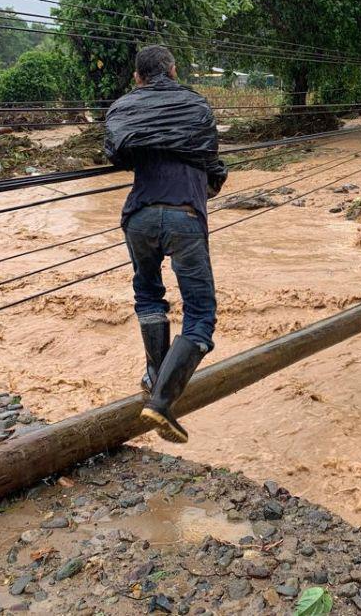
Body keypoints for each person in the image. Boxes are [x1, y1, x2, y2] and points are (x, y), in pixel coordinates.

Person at [104, 45, 228, 444]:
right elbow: (211, 162)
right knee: (201, 313)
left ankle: (154, 377)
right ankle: (161, 401)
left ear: (138, 77)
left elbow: (115, 154)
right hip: (184, 216)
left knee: (148, 295)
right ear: (173, 71)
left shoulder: (124, 108)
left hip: (137, 216)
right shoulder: (196, 107)